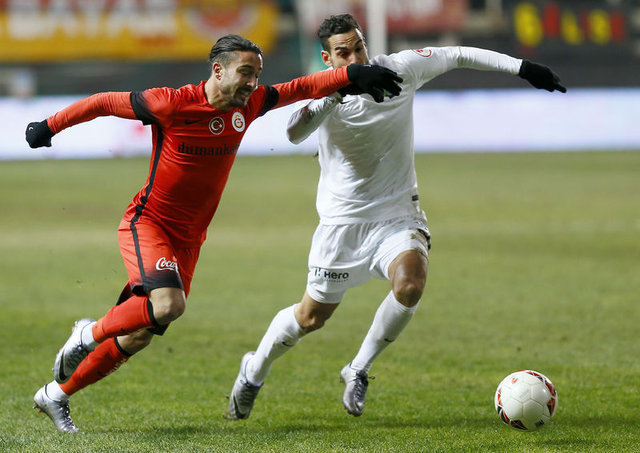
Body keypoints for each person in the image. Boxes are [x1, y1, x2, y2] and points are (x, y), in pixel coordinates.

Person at [26, 34, 402, 433]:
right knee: (169, 305)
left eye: (257, 75)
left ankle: (55, 395)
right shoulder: (170, 103)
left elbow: (301, 87)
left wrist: (352, 75)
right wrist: (49, 126)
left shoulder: (249, 105)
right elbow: (103, 102)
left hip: (190, 239)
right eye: (245, 73)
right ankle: (87, 333)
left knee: (139, 336)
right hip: (149, 223)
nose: (252, 83)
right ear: (218, 70)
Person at [224, 14, 566, 420]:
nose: (355, 57)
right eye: (343, 52)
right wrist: (339, 89)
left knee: (410, 285)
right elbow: (294, 133)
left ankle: (358, 369)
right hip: (342, 225)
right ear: (327, 58)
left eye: (359, 47)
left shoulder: (400, 69)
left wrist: (523, 68)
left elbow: (458, 54)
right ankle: (253, 371)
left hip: (398, 213)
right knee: (310, 318)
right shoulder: (324, 88)